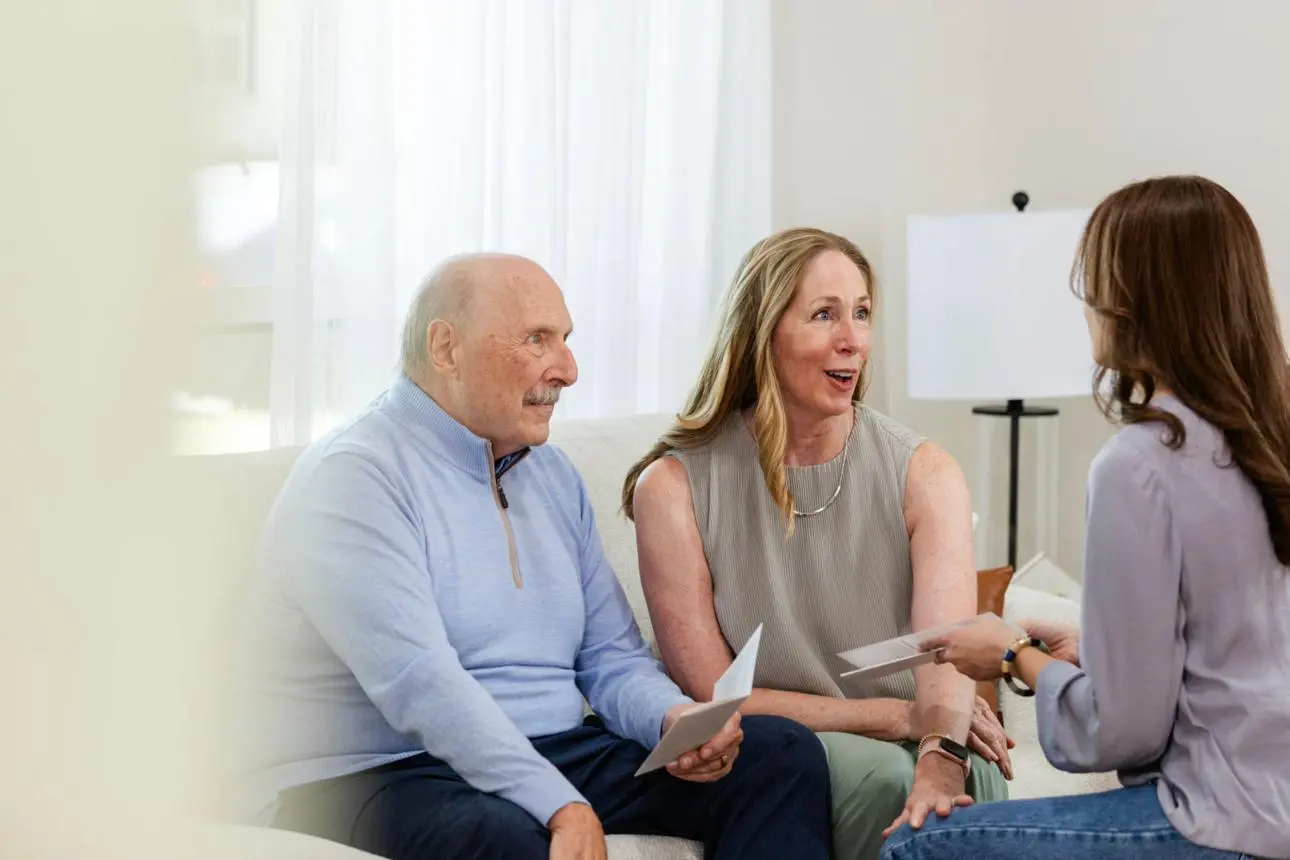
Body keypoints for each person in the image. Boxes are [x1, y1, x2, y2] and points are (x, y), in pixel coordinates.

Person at [226, 252, 834, 860]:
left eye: (566, 339)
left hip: (551, 745)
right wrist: (558, 803)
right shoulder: (356, 476)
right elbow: (421, 684)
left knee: (780, 755)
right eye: (537, 339)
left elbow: (611, 655)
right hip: (377, 770)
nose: (568, 369)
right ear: (446, 349)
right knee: (503, 836)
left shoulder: (551, 474)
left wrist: (671, 720)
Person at [880, 175, 1290, 860]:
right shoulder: (1269, 441)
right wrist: (1085, 648)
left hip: (1219, 820)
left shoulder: (1141, 464)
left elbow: (1122, 730)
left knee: (917, 848)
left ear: (1130, 300)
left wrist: (1011, 654)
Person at [622, 227, 1010, 860]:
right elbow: (716, 696)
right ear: (762, 333)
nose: (852, 339)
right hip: (790, 738)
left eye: (861, 313)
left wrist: (940, 747)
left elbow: (947, 652)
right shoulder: (673, 487)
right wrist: (894, 717)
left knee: (968, 779)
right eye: (824, 315)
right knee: (884, 780)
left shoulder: (925, 472)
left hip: (925, 725)